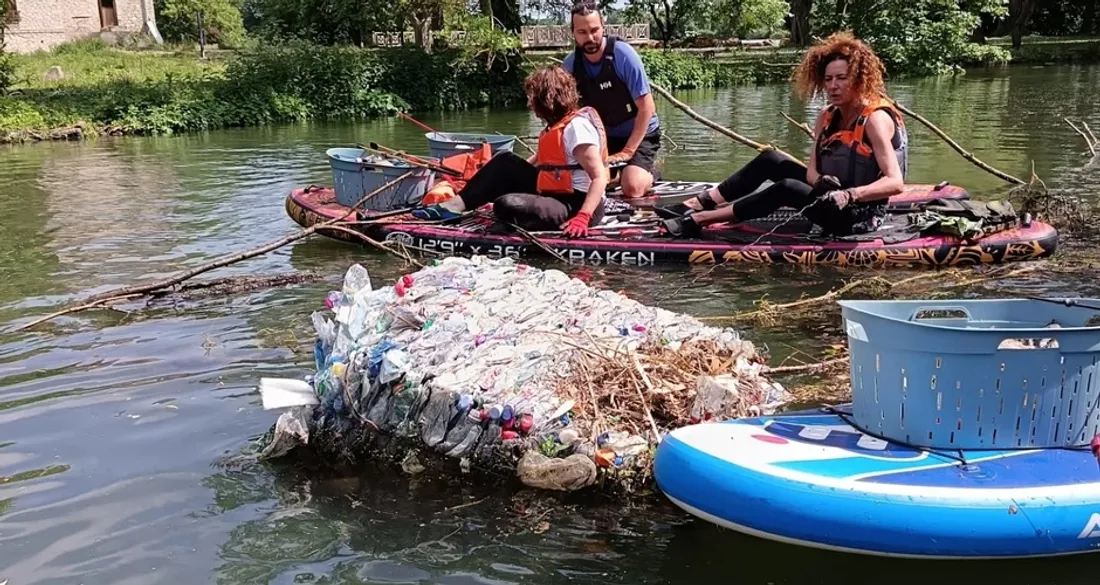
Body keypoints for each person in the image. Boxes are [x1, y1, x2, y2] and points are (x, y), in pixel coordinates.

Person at [658, 32, 908, 239]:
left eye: (842, 78)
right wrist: (820, 181)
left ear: (859, 79)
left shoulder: (875, 119)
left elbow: (895, 183)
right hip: (831, 197)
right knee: (772, 159)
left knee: (788, 188)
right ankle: (699, 204)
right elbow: (811, 172)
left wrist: (850, 194)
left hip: (857, 216)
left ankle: (700, 220)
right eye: (829, 79)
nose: (833, 85)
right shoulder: (826, 116)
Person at [411, 65, 609, 238]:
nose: (530, 105)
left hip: (577, 204)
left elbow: (599, 177)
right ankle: (453, 207)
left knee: (506, 205)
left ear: (545, 101)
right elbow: (537, 162)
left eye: (533, 100)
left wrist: (583, 217)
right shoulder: (554, 127)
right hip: (553, 191)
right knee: (505, 160)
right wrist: (495, 180)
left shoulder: (577, 127)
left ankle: (521, 217)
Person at [563, 0, 660, 199]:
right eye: (582, 32)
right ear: (573, 33)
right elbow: (565, 115)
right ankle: (615, 174)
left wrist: (628, 151)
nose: (590, 38)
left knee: (632, 188)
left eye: (594, 30)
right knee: (580, 184)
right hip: (603, 138)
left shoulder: (624, 56)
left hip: (638, 134)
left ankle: (650, 173)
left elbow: (647, 108)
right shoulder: (570, 65)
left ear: (603, 27)